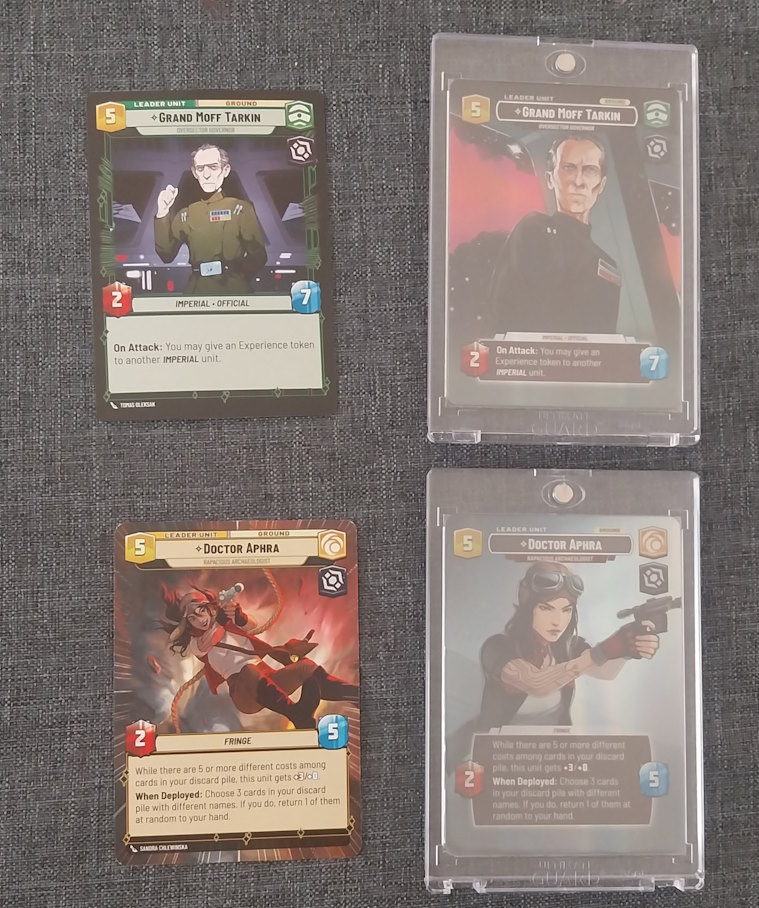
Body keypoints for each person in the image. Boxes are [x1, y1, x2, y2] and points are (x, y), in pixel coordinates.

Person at [477, 561, 659, 728]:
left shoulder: (569, 646)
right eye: (546, 608)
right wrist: (602, 651)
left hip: (559, 746)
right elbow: (536, 683)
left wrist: (627, 648)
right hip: (501, 746)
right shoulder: (497, 647)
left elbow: (605, 672)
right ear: (528, 608)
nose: (557, 621)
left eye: (566, 610)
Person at [161, 584, 358, 729]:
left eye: (202, 611)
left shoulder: (228, 622)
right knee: (249, 669)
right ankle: (296, 713)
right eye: (193, 617)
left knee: (306, 667)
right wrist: (222, 618)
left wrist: (239, 617)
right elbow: (207, 643)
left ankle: (352, 693)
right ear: (188, 623)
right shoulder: (197, 643)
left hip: (269, 680)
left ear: (208, 608)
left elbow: (251, 625)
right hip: (245, 693)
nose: (201, 619)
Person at [489, 135, 621, 334]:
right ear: (550, 179)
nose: (579, 181)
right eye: (569, 168)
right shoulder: (534, 228)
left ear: (601, 185)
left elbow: (605, 336)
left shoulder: (607, 264)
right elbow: (502, 311)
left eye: (590, 170)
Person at [154, 143, 267, 294]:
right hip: (196, 290)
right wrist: (162, 211)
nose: (206, 175)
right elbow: (166, 254)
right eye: (200, 168)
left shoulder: (240, 209)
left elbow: (258, 256)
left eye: (213, 167)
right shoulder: (186, 214)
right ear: (195, 173)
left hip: (233, 289)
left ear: (225, 170)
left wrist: (236, 277)